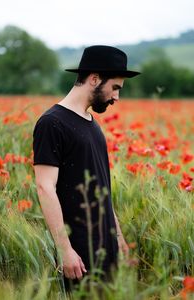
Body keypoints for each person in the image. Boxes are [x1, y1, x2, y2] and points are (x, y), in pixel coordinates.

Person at [33, 45, 140, 291]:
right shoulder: (52, 123)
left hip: (106, 249)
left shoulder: (92, 124)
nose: (116, 97)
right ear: (94, 79)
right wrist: (65, 250)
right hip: (80, 253)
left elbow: (102, 186)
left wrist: (118, 237)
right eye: (115, 88)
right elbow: (44, 187)